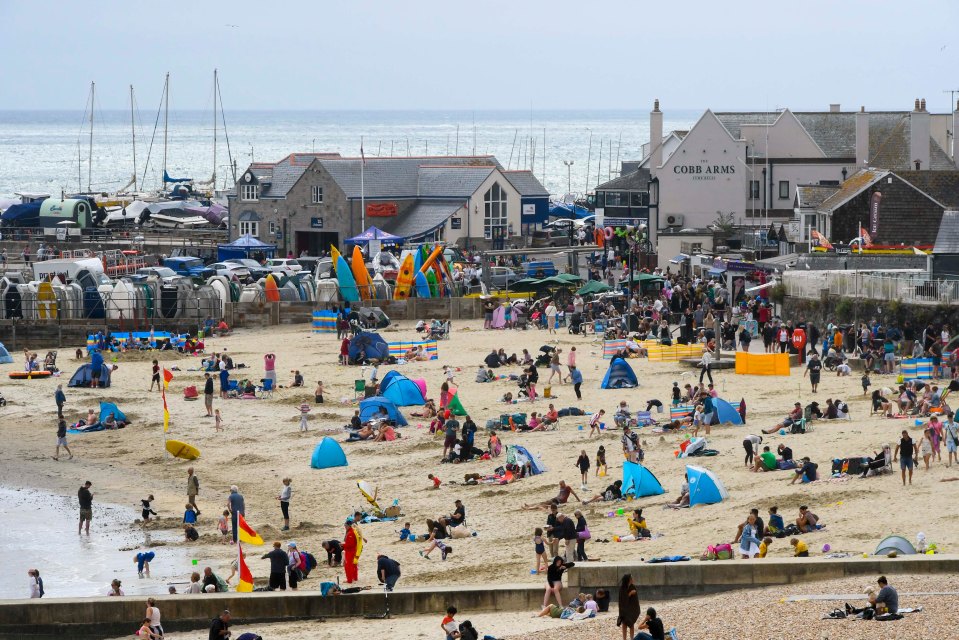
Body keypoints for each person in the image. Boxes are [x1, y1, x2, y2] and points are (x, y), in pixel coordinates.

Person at [617, 573, 640, 640]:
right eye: (631, 578)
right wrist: (630, 593)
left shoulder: (632, 586)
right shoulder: (622, 588)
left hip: (631, 609)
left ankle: (631, 638)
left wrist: (633, 593)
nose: (633, 579)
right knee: (624, 624)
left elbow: (635, 599)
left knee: (631, 623)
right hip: (624, 609)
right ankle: (624, 639)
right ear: (629, 580)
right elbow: (622, 600)